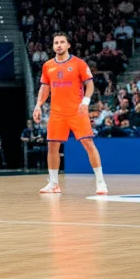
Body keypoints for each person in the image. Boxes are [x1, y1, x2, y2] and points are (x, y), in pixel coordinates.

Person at [33, 32, 108, 195]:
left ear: (68, 45)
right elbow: (44, 88)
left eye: (61, 42)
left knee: (88, 144)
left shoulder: (78, 63)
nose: (58, 45)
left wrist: (86, 101)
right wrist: (38, 105)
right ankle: (53, 184)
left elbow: (90, 84)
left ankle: (101, 182)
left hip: (77, 112)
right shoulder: (48, 66)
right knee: (52, 146)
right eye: (56, 43)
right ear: (53, 46)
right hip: (57, 113)